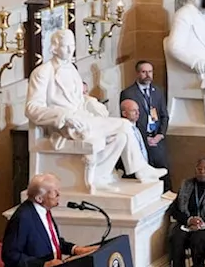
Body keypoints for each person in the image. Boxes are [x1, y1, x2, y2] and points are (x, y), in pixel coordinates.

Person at [26, 30, 162, 185]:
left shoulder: (71, 68)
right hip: (65, 126)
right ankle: (141, 170)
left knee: (121, 136)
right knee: (124, 124)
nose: (71, 51)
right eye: (66, 47)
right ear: (54, 48)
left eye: (72, 46)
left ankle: (100, 176)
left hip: (83, 118)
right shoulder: (42, 72)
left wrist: (91, 102)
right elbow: (32, 108)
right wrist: (63, 116)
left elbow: (78, 98)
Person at [119, 59, 170, 180]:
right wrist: (143, 137)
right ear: (137, 73)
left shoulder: (158, 91)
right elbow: (127, 119)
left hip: (157, 140)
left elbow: (164, 116)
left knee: (164, 173)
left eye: (150, 72)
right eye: (144, 72)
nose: (148, 75)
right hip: (140, 140)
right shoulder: (128, 93)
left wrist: (160, 135)